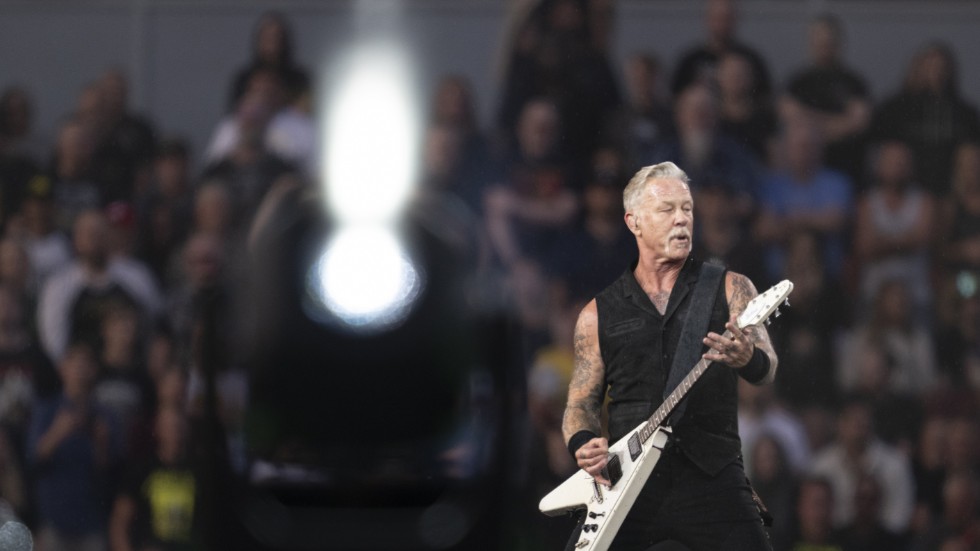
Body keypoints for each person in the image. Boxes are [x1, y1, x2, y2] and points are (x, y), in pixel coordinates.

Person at [562, 162, 777, 550]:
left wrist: (748, 358)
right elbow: (580, 403)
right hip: (627, 482)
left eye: (687, 208)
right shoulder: (597, 313)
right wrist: (584, 443)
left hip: (712, 474)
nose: (682, 219)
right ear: (634, 222)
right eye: (667, 209)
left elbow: (767, 367)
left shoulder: (731, 287)